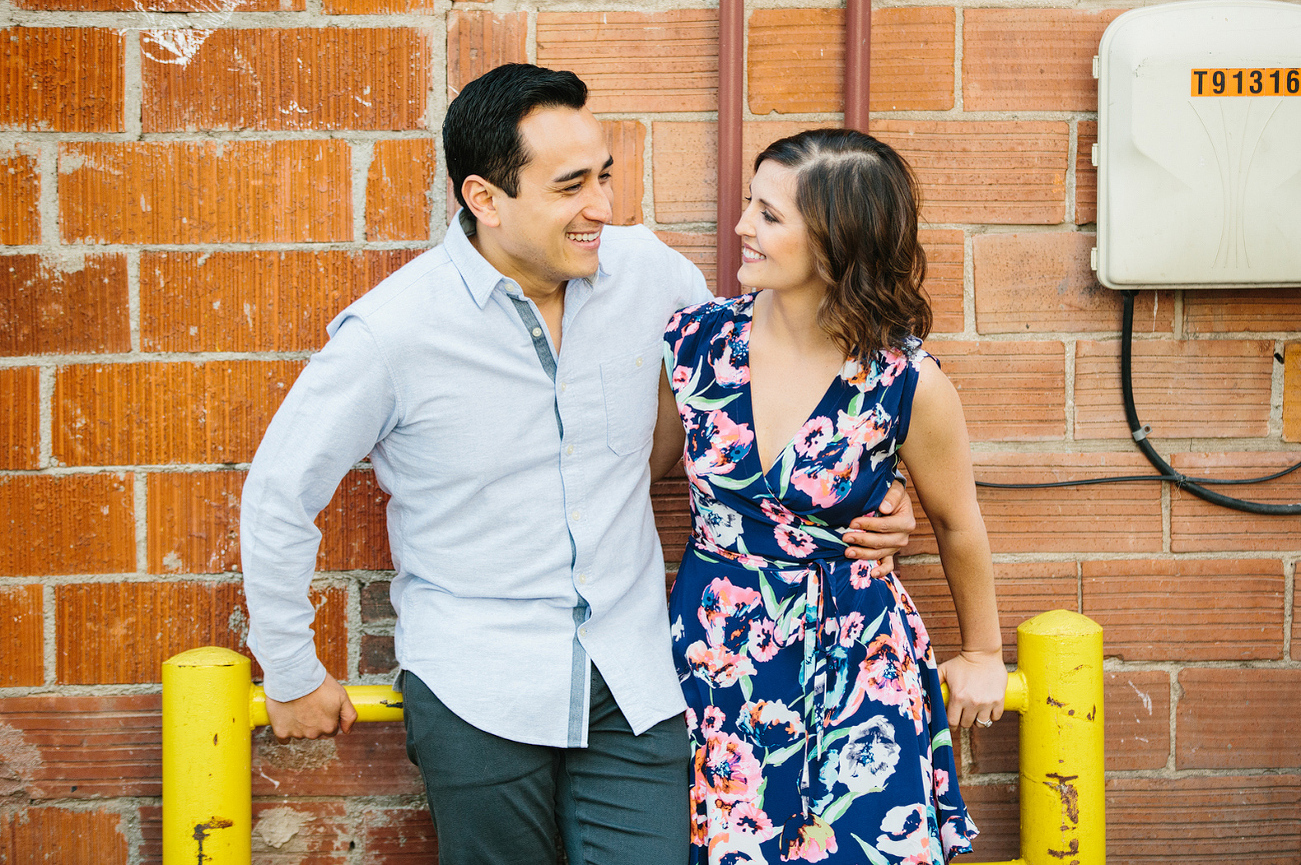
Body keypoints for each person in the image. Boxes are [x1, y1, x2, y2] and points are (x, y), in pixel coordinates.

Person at [240, 65, 916, 865]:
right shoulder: (393, 332)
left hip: (634, 678)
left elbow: (759, 388)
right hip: (476, 682)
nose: (602, 207)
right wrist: (288, 670)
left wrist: (867, 490)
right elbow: (281, 492)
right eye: (570, 187)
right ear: (484, 199)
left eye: (604, 177)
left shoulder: (652, 274)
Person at [658, 128, 1006, 863]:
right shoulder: (693, 344)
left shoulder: (904, 382)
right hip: (720, 657)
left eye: (769, 214)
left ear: (835, 243)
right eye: (750, 203)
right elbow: (640, 469)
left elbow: (957, 521)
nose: (741, 226)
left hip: (855, 659)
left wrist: (981, 650)